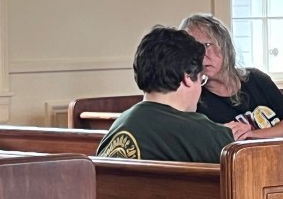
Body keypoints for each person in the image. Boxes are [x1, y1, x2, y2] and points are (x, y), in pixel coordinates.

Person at [96, 26, 234, 162]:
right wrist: (221, 136)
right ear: (187, 77)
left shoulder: (118, 126)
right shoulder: (208, 134)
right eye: (201, 79)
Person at [179, 14, 283, 140]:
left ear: (225, 46)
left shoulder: (256, 78)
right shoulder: (194, 99)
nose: (201, 55)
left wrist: (251, 135)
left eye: (206, 45)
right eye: (193, 50)